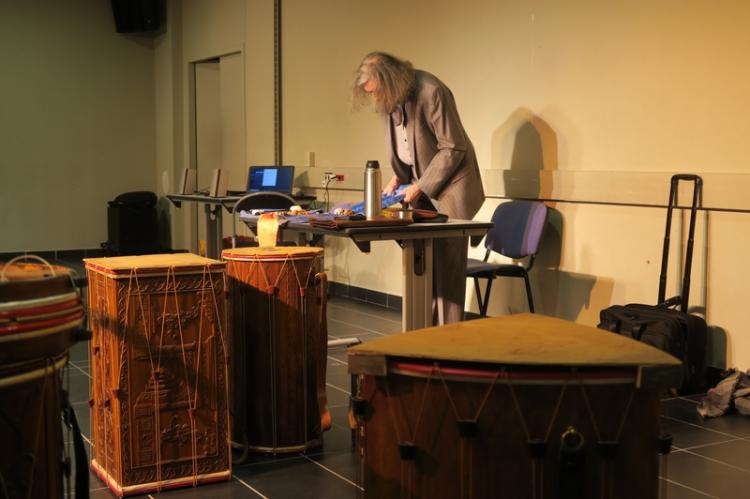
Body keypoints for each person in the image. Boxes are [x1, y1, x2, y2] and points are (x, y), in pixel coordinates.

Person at [352, 52, 485, 325]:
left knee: (447, 266)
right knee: (423, 259)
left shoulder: (431, 91)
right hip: (421, 185)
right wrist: (397, 180)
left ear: (389, 81)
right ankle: (424, 334)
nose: (375, 98)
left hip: (453, 184)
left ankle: (448, 339)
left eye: (376, 92)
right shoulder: (390, 100)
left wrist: (419, 186)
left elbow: (453, 146)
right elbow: (407, 147)